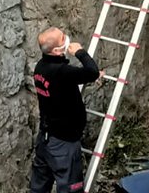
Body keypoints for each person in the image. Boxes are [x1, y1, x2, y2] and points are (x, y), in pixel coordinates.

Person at [30, 27, 100, 193]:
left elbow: (70, 77)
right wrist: (80, 52)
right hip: (64, 144)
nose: (67, 38)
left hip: (45, 139)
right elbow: (92, 72)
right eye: (63, 38)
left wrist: (85, 74)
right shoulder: (62, 72)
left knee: (39, 187)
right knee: (70, 188)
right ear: (56, 50)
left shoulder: (41, 67)